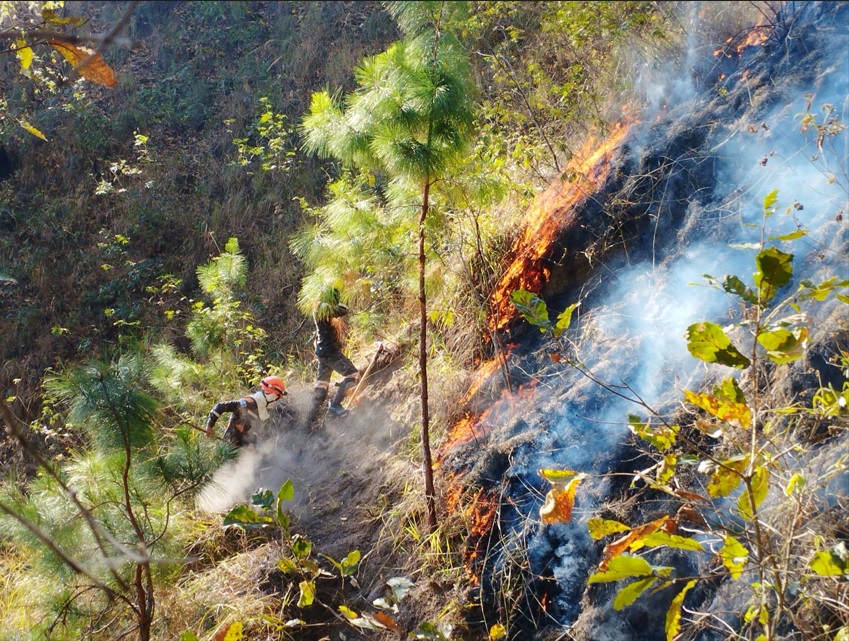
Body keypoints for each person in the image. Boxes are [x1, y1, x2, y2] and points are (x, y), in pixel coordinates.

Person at [306, 288, 359, 426]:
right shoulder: (322, 307)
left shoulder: (319, 307)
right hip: (329, 351)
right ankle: (335, 404)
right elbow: (342, 310)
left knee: (321, 385)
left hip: (324, 350)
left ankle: (310, 418)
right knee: (353, 374)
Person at [204, 375, 287, 448]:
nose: (276, 401)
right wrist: (209, 426)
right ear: (271, 395)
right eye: (277, 397)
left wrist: (251, 445)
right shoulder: (247, 404)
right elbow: (220, 406)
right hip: (228, 449)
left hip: (242, 456)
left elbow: (254, 432)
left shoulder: (262, 412)